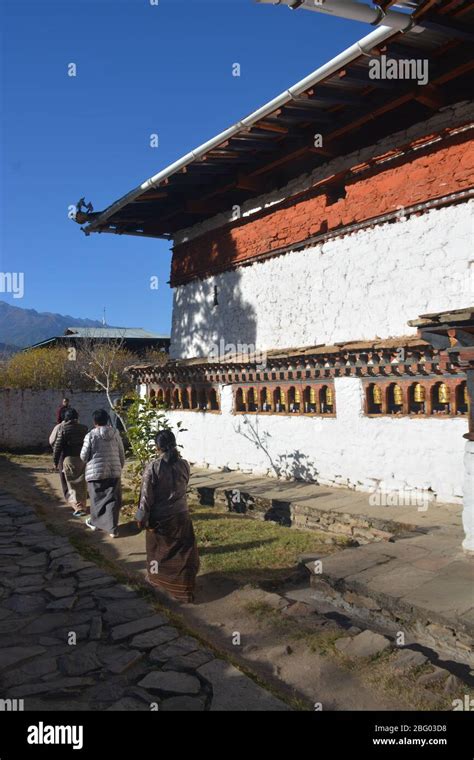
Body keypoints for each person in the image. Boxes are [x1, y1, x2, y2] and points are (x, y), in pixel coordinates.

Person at [135, 430, 199, 603]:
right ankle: (184, 588)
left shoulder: (153, 467)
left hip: (160, 519)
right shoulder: (184, 464)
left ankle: (157, 581)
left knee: (158, 553)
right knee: (183, 553)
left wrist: (141, 517)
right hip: (181, 515)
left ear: (157, 447)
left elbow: (146, 498)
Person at [81, 409, 125, 538]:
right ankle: (112, 528)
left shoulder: (90, 435)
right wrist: (119, 467)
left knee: (96, 499)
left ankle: (95, 523)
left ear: (94, 421)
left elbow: (83, 456)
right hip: (113, 472)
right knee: (112, 500)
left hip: (96, 473)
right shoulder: (116, 433)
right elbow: (121, 453)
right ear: (107, 420)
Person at [52, 408, 88, 517]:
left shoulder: (63, 429)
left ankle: (78, 508)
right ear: (77, 417)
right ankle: (83, 505)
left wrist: (55, 461)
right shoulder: (84, 428)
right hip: (83, 458)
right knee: (82, 483)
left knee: (72, 484)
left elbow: (57, 447)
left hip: (69, 459)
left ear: (66, 418)